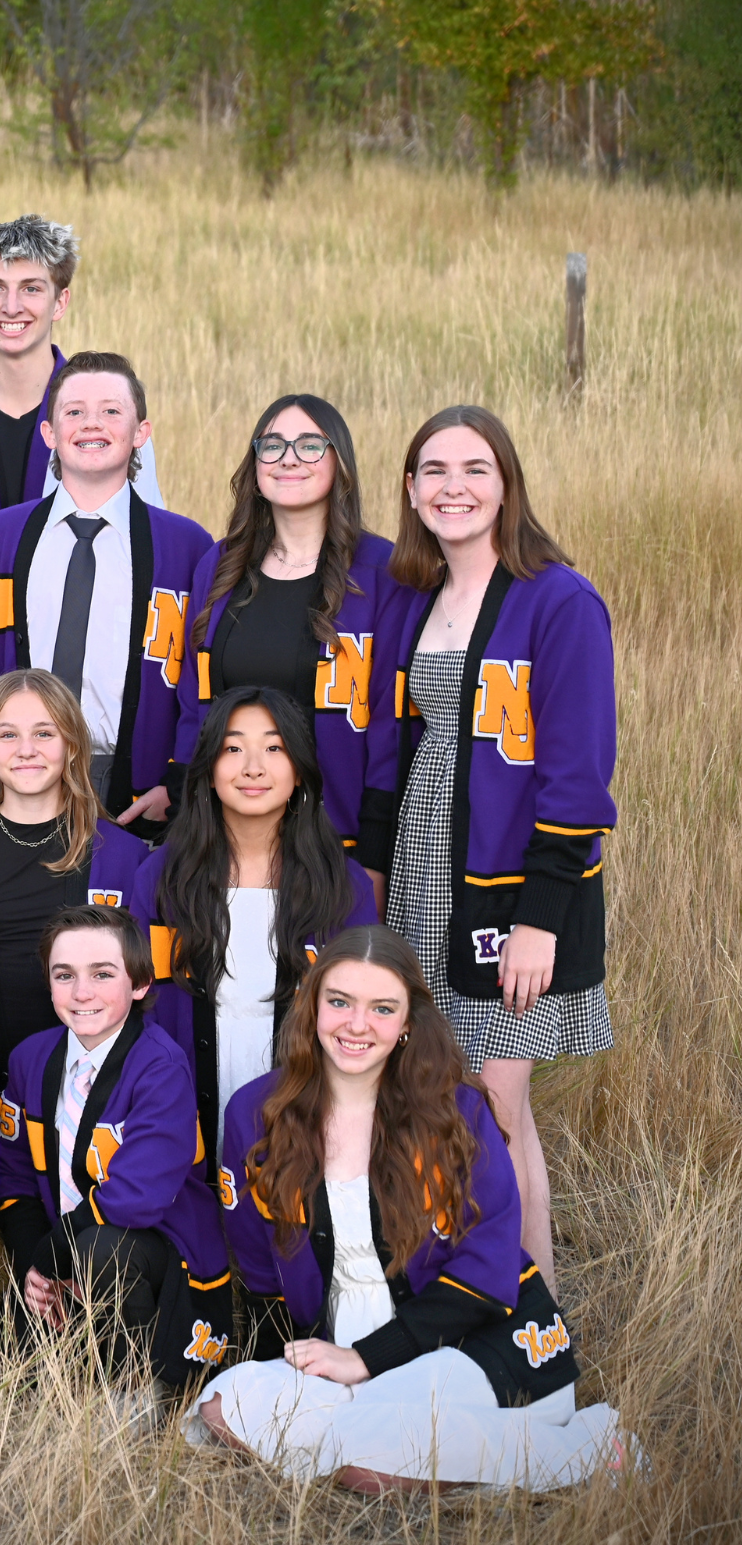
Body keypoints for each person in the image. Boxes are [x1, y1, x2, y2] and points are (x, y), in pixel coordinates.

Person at [194, 927, 624, 1491]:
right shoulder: (257, 1111)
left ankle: (585, 1449)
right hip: (340, 1350)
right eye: (340, 1002)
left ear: (406, 1025)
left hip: (477, 1340)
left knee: (364, 1449)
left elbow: (487, 1271)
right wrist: (286, 1365)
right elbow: (257, 1262)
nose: (356, 1024)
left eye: (382, 1008)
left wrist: (368, 1359)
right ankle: (412, 1446)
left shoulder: (454, 1113)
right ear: (312, 1006)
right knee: (225, 1405)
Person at [377, 405, 615, 1297]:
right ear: (410, 490)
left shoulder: (559, 598)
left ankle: (528, 1333)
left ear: (507, 483)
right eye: (434, 471)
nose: (454, 487)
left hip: (509, 891)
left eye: (475, 469)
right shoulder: (421, 597)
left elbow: (578, 778)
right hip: (425, 872)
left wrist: (539, 921)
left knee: (496, 1108)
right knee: (454, 1101)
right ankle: (504, 1304)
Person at [131, 687, 376, 1174]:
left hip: (305, 1124)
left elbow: (361, 1016)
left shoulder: (342, 885)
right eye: (233, 748)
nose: (253, 767)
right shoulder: (161, 878)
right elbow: (142, 1008)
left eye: (274, 747)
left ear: (301, 769)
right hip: (182, 1117)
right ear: (207, 770)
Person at [0, 907, 230, 1392]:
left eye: (103, 974)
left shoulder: (160, 1065)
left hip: (154, 1254)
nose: (82, 992)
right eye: (65, 975)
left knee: (101, 1251)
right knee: (23, 1380)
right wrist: (33, 1269)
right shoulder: (30, 1060)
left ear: (140, 983)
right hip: (63, 1248)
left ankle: (137, 1391)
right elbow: (13, 1172)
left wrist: (54, 1255)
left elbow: (136, 1197)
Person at [174, 395, 398, 902]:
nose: (289, 457)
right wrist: (181, 800)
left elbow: (390, 727)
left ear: (340, 462)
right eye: (272, 445)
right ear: (255, 468)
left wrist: (372, 858)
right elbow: (196, 703)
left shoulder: (383, 571)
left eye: (309, 445)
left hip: (333, 840)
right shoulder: (220, 565)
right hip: (225, 839)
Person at [0, 352, 211, 826]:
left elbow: (201, 680)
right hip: (17, 774)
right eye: (74, 411)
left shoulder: (186, 547)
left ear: (140, 433)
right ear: (49, 433)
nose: (91, 424)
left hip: (129, 784)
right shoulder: (2, 538)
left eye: (111, 411)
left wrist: (179, 781)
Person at [0, 670, 148, 1082]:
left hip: (95, 1092)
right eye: (7, 735)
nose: (26, 750)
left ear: (72, 747)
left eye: (44, 733)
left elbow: (147, 994)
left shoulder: (124, 858)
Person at [0, 215, 162, 530]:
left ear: (60, 302)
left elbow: (148, 540)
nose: (11, 306)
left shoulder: (115, 423)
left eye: (31, 289)